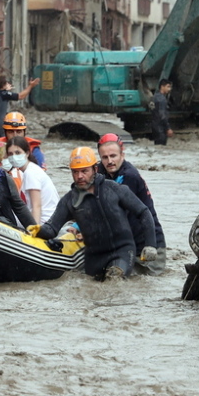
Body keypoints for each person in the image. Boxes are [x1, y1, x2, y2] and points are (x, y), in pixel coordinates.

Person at [28, 147, 157, 281]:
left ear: (95, 169)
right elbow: (52, 228)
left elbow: (144, 212)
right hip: (94, 257)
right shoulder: (69, 200)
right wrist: (38, 230)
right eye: (75, 172)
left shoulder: (114, 189)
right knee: (90, 292)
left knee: (114, 279)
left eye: (84, 171)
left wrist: (150, 245)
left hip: (122, 251)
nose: (80, 176)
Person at [96, 133, 166, 274]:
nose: (109, 161)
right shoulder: (101, 172)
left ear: (122, 154)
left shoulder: (130, 176)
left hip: (147, 248)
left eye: (113, 156)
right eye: (105, 157)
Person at [5, 136, 58, 225]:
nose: (14, 157)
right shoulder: (30, 170)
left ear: (27, 153)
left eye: (18, 153)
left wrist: (35, 231)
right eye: (10, 154)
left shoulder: (31, 173)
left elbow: (36, 206)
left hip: (45, 221)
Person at [0, 75, 40, 144]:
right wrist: (31, 86)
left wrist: (5, 90)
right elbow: (21, 96)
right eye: (6, 83)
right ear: (2, 85)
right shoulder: (3, 94)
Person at [149, 78, 173, 145]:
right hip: (161, 128)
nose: (169, 89)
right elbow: (162, 115)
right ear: (162, 86)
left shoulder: (154, 97)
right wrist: (168, 128)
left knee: (157, 146)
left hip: (154, 126)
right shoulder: (162, 99)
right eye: (168, 87)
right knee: (162, 145)